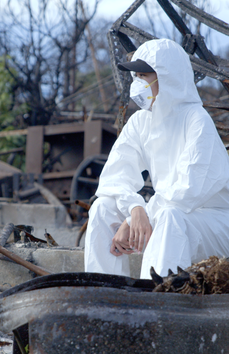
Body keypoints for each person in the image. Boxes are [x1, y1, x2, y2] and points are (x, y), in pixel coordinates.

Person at [84, 38, 229, 279]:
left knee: (169, 216)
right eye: (136, 76)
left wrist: (137, 219)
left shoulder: (196, 120)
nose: (137, 84)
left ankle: (156, 303)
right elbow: (114, 177)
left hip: (214, 223)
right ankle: (105, 295)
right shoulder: (141, 122)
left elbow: (187, 192)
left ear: (168, 77)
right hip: (168, 213)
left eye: (144, 76)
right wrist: (134, 208)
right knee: (102, 209)